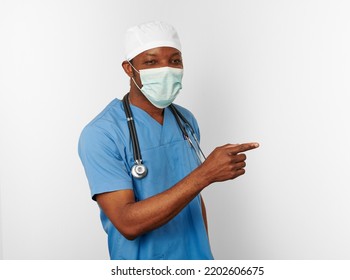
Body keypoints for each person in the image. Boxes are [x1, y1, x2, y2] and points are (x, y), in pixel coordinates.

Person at [78, 20, 259, 260]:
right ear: (129, 68)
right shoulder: (101, 133)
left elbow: (194, 198)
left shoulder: (185, 120)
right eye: (151, 62)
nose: (166, 69)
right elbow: (127, 224)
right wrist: (206, 173)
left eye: (175, 60)